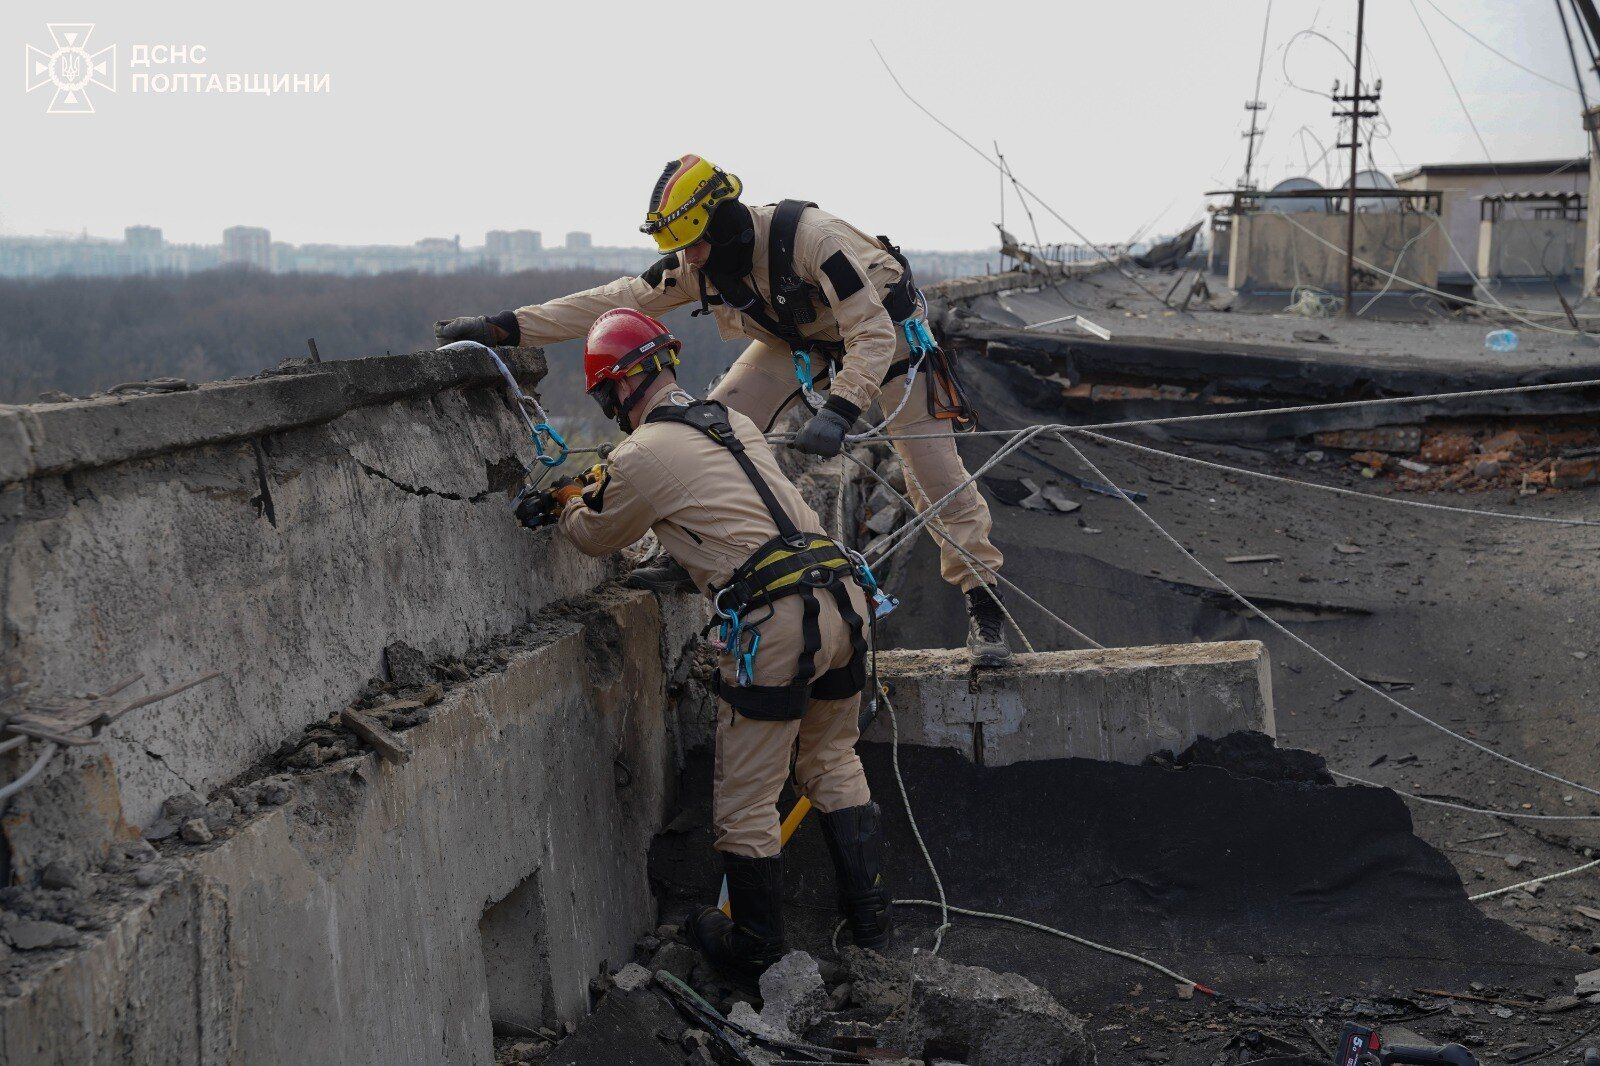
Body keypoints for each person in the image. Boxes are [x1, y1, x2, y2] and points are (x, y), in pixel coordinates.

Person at [436, 154, 1012, 666]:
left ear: (724, 223)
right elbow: (615, 300)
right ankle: (687, 555)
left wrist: (841, 408)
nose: (689, 259)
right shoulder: (699, 265)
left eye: (695, 244)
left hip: (890, 338)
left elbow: (871, 333)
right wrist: (505, 328)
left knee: (934, 474)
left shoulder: (813, 241)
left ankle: (983, 601)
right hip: (801, 339)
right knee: (708, 426)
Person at [516, 307, 892, 989]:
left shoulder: (639, 455)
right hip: (845, 598)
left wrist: (567, 505)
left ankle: (756, 949)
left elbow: (597, 536)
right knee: (832, 758)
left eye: (605, 397)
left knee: (747, 802)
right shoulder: (732, 422)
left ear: (619, 387)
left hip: (778, 620)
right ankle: (872, 929)